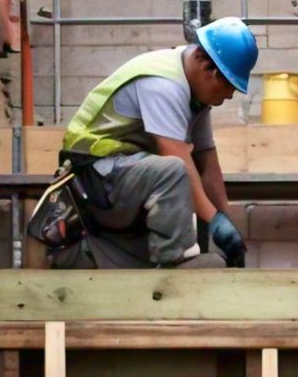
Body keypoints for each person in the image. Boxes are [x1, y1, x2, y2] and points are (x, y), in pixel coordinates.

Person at [49, 18, 258, 269]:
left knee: (171, 182)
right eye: (228, 85)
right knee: (172, 171)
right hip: (91, 176)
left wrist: (228, 224)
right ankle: (174, 258)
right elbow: (177, 158)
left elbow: (207, 163)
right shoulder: (163, 85)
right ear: (206, 67)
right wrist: (215, 222)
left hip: (122, 174)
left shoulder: (196, 95)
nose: (228, 96)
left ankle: (88, 255)